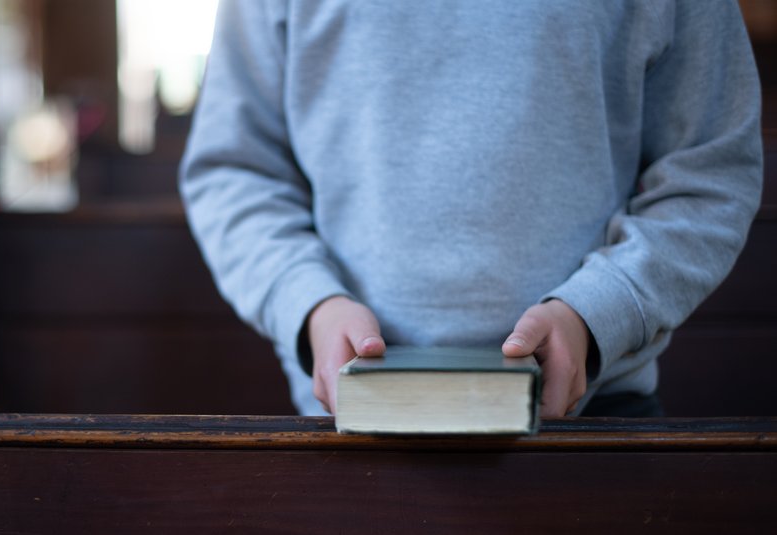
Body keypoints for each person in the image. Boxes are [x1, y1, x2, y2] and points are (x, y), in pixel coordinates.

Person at [179, 1, 763, 417]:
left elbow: (709, 170)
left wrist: (596, 314)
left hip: (596, 423)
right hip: (350, 423)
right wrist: (311, 304)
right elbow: (235, 171)